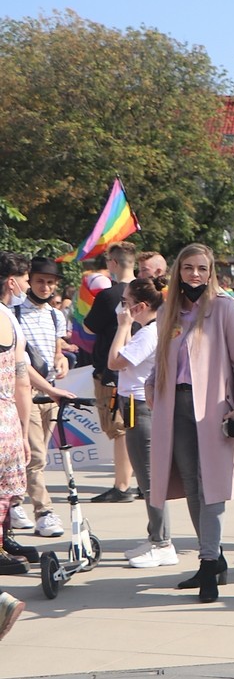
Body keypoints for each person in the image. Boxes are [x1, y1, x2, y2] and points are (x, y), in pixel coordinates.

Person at [146, 243, 234, 603]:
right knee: (193, 484)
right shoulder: (167, 311)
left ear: (211, 274)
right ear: (178, 271)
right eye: (188, 268)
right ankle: (214, 556)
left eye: (202, 268)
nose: (195, 274)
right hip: (173, 406)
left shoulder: (224, 308)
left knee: (212, 485)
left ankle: (208, 563)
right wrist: (151, 386)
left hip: (212, 408)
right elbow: (160, 359)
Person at [107, 276, 177, 568]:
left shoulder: (149, 333)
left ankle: (163, 543)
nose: (122, 308)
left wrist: (123, 326)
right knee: (146, 476)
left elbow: (114, 361)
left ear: (141, 306)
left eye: (126, 302)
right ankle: (155, 536)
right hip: (135, 404)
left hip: (140, 407)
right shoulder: (147, 330)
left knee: (149, 480)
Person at [11, 256, 70, 539]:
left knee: (38, 454)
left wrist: (61, 360)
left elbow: (57, 349)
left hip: (50, 390)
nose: (45, 287)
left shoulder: (56, 315)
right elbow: (19, 359)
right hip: (26, 390)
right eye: (39, 281)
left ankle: (13, 501)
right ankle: (44, 512)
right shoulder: (15, 312)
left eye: (50, 282)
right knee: (34, 455)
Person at [82, 241, 138, 504]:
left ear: (114, 263)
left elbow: (89, 328)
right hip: (142, 372)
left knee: (119, 429)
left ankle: (122, 486)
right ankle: (144, 482)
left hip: (113, 371)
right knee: (138, 427)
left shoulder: (109, 295)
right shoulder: (149, 292)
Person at [0, 253, 35, 577]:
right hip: (4, 412)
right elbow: (21, 379)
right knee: (3, 489)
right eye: (25, 279)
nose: (28, 285)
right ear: (11, 282)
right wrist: (23, 432)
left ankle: (4, 541)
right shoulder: (7, 319)